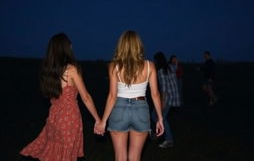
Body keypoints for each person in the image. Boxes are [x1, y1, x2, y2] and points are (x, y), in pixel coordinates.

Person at [20, 33, 101, 161]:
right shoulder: (71, 70)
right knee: (66, 155)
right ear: (66, 48)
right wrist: (97, 119)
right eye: (70, 45)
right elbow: (85, 97)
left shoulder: (48, 71)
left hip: (54, 118)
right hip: (69, 118)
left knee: (54, 154)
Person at [95, 30, 164, 161]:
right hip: (141, 110)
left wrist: (103, 121)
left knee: (120, 157)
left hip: (119, 110)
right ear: (139, 45)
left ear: (121, 45)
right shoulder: (149, 66)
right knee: (135, 158)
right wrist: (160, 118)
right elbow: (155, 94)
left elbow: (112, 96)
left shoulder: (114, 66)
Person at [152, 52, 180, 148]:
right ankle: (159, 134)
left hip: (167, 98)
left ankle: (169, 140)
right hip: (173, 97)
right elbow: (176, 68)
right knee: (155, 116)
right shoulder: (170, 67)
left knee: (161, 118)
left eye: (155, 60)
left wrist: (163, 102)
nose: (154, 62)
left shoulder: (161, 71)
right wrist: (176, 62)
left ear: (157, 61)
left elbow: (164, 88)